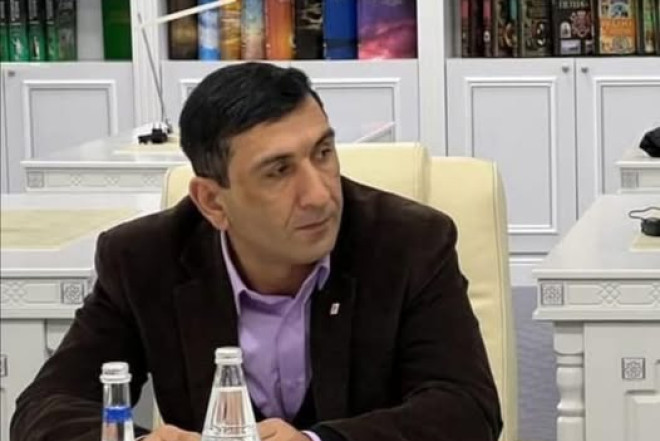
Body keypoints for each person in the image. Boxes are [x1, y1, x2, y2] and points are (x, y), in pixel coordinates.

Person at [11, 63, 502, 441]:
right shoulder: (143, 258)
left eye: (323, 153)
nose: (319, 195)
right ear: (212, 201)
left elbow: (466, 409)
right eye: (278, 171)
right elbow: (44, 408)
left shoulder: (409, 243)